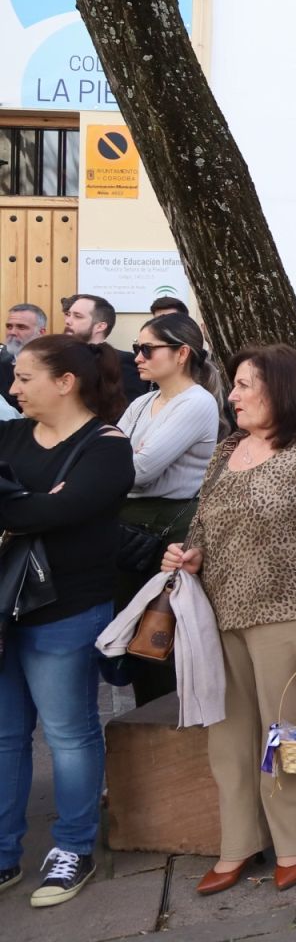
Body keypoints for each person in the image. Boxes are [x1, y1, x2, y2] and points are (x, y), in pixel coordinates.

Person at [161, 345, 296, 897]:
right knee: (228, 737)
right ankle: (238, 842)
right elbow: (203, 524)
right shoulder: (226, 451)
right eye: (235, 385)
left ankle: (294, 841)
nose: (234, 395)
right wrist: (188, 553)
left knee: (289, 733)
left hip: (287, 615)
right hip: (219, 615)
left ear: (281, 391)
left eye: (246, 385)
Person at [0, 338, 132, 907]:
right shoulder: (8, 436)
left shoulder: (106, 447)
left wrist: (25, 505)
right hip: (6, 610)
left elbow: (64, 511)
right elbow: (47, 510)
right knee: (4, 739)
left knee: (68, 734)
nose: (13, 389)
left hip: (69, 609)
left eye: (25, 378)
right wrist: (36, 504)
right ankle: (4, 853)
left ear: (65, 381)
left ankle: (73, 848)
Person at [115, 312, 224, 706]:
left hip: (170, 529)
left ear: (181, 354)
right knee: (135, 638)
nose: (138, 358)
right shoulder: (144, 402)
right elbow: (110, 459)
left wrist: (124, 459)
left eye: (147, 349)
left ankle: (175, 742)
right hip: (133, 525)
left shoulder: (196, 402)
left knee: (161, 636)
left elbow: (139, 469)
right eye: (135, 349)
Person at [62, 293, 143, 402]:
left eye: (77, 316)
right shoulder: (59, 357)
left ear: (100, 326)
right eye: (68, 314)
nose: (67, 321)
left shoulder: (121, 361)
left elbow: (129, 410)